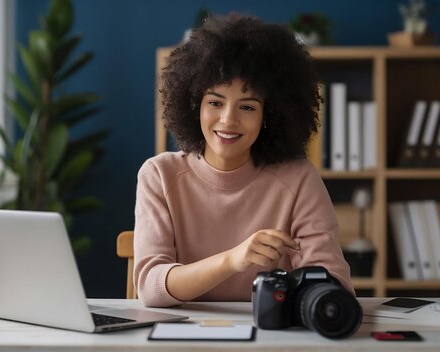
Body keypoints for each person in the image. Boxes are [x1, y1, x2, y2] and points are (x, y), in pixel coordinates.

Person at [134, 13, 353, 307]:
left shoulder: (298, 178)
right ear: (193, 106)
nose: (228, 120)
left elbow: (334, 285)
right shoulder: (159, 174)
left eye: (247, 107)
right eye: (215, 102)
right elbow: (150, 287)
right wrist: (232, 259)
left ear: (269, 115)